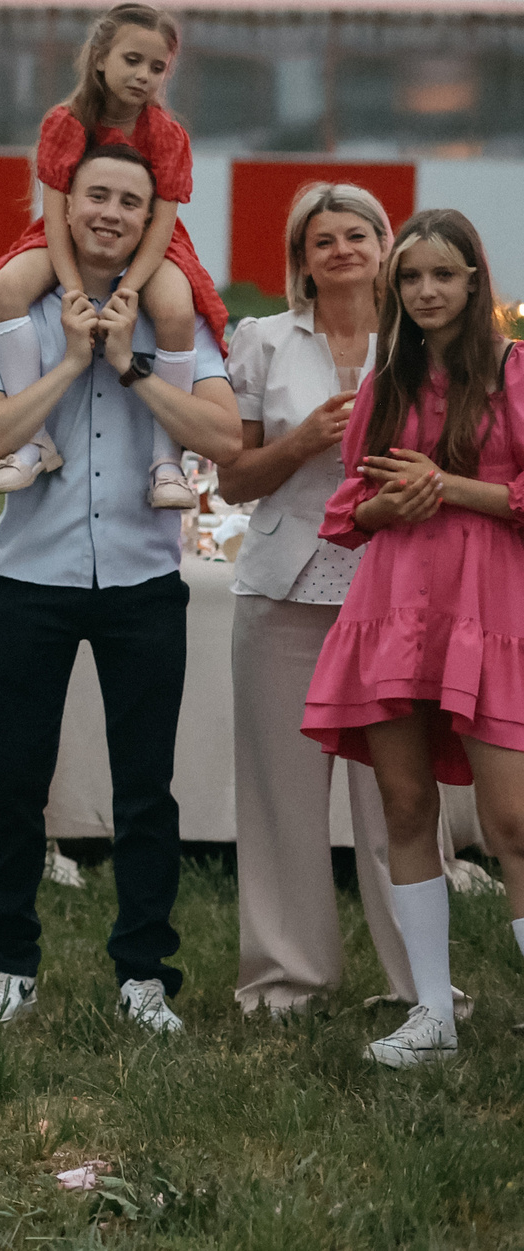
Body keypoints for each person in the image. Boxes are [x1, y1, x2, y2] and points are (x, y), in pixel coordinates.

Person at [0, 142, 241, 1035]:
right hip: (33, 578)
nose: (110, 212)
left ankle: (145, 973)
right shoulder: (17, 312)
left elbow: (224, 439)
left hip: (143, 579)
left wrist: (129, 363)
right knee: (11, 779)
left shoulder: (175, 317)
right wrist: (73, 361)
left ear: (151, 219)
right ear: (65, 206)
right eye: (96, 196)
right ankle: (7, 959)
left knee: (147, 788)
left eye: (130, 199)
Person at [300, 209, 524, 1068]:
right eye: (412, 279)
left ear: (475, 283)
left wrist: (449, 487)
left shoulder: (511, 373)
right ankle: (432, 1011)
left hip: (489, 611)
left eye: (444, 276)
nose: (426, 292)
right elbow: (348, 511)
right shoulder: (385, 385)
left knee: (512, 819)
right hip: (394, 611)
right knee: (403, 804)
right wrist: (390, 505)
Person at [215, 183, 441, 1017]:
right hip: (283, 585)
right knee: (281, 790)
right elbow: (232, 481)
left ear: (387, 247)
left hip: (397, 589)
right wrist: (305, 439)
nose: (342, 248)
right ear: (301, 260)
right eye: (323, 239)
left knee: (401, 795)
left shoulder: (424, 342)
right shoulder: (262, 341)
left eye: (358, 234)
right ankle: (285, 980)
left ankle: (422, 982)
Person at [0, 3, 226, 510]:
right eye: (133, 60)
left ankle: (166, 462)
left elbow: (162, 223)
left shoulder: (167, 135)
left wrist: (129, 287)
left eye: (158, 68)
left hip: (153, 239)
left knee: (173, 307)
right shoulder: (65, 122)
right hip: (63, 234)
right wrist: (73, 288)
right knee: (4, 288)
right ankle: (32, 440)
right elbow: (56, 215)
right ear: (101, 59)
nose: (144, 76)